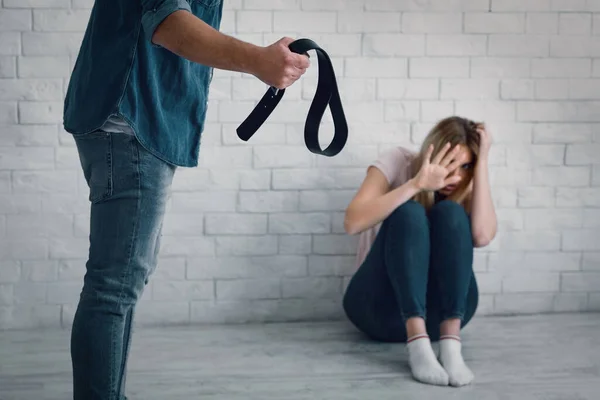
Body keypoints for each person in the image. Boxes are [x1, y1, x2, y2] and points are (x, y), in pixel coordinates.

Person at [62, 1, 310, 399]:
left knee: (120, 281)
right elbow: (167, 22)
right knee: (113, 286)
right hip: (131, 119)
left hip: (131, 116)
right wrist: (258, 60)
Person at [342, 116, 497, 387]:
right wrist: (416, 185)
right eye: (450, 163)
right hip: (378, 310)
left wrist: (482, 163)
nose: (457, 175)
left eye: (466, 166)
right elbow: (353, 223)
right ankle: (417, 343)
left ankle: (450, 345)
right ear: (432, 151)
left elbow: (482, 236)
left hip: (443, 316)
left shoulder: (467, 183)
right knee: (410, 212)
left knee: (450, 211)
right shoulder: (397, 161)